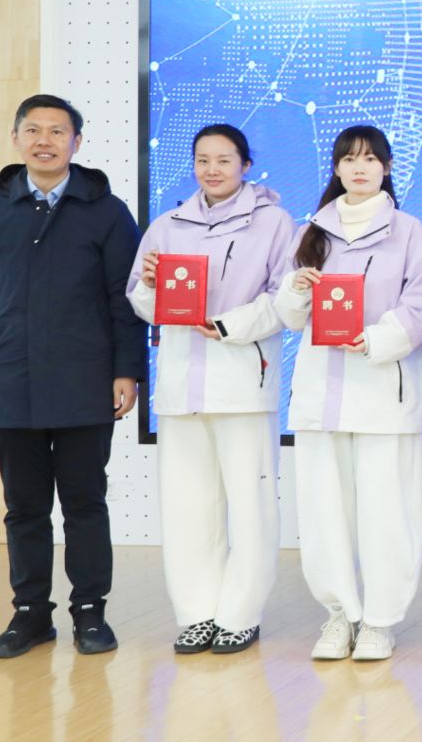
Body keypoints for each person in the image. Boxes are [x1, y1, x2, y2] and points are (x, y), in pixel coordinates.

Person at [0, 94, 145, 658]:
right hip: (7, 377)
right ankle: (30, 614)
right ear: (16, 139)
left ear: (76, 142)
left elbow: (125, 299)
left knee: (85, 503)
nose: (44, 141)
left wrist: (127, 370)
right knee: (25, 508)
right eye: (33, 130)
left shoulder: (107, 212)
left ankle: (90, 612)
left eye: (58, 131)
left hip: (86, 380)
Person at [126, 124, 296, 655]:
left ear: (246, 164)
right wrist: (151, 286)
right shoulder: (168, 224)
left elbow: (285, 300)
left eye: (224, 159)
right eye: (203, 160)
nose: (212, 169)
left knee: (250, 505)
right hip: (182, 387)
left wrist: (228, 325)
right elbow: (140, 300)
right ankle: (197, 613)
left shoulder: (274, 222)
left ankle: (240, 614)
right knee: (187, 506)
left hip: (243, 382)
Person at [275, 125, 422, 663]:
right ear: (336, 168)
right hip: (321, 395)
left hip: (382, 393)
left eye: (370, 159)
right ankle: (339, 614)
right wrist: (296, 290)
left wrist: (375, 338)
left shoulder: (409, 231)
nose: (360, 168)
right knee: (324, 513)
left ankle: (380, 620)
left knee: (386, 512)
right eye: (349, 159)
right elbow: (289, 315)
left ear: (386, 168)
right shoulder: (311, 233)